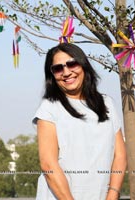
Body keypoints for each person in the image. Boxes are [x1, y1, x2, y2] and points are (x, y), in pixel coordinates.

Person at [32, 43, 127, 200]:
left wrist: (113, 194)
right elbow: (48, 165)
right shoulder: (49, 108)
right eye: (58, 68)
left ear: (83, 65)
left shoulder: (107, 103)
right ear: (52, 75)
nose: (66, 72)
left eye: (72, 64)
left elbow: (120, 155)